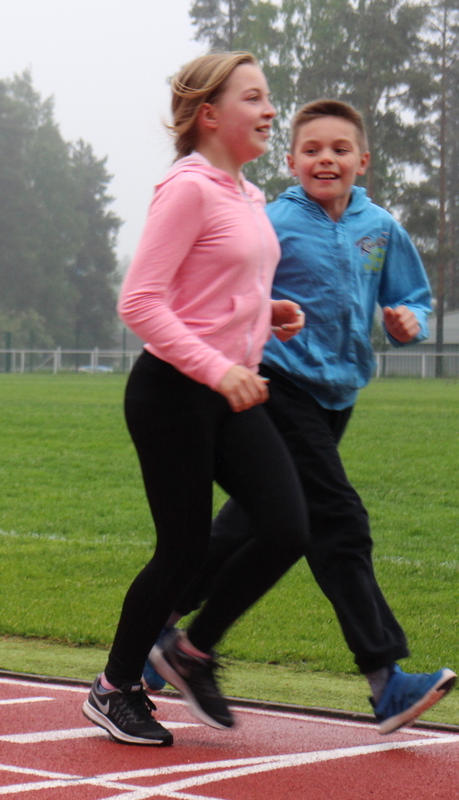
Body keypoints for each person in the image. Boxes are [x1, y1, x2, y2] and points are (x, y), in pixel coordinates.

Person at [151, 99, 454, 735]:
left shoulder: (380, 227)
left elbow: (412, 297)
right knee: (337, 519)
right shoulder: (274, 222)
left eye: (340, 150)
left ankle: (156, 638)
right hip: (279, 386)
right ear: (290, 161)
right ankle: (386, 680)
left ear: (363, 161)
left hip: (338, 396)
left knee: (247, 525)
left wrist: (409, 322)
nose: (326, 159)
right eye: (312, 150)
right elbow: (230, 284)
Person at [81, 52, 309, 747]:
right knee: (181, 549)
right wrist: (218, 367)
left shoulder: (247, 194)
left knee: (287, 526)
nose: (271, 110)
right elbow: (139, 302)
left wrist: (266, 312)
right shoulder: (188, 189)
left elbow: (210, 288)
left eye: (269, 97)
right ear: (209, 114)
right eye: (254, 98)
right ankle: (115, 688)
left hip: (228, 390)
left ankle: (190, 651)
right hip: (174, 393)